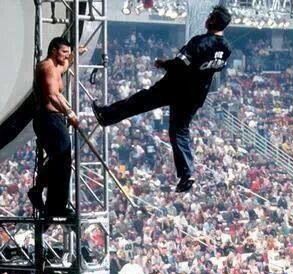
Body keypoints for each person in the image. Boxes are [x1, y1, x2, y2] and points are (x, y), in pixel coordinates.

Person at [93, 5, 232, 193]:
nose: (206, 19)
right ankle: (186, 173)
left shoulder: (200, 42)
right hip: (196, 95)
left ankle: (106, 116)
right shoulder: (227, 48)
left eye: (209, 16)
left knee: (139, 102)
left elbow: (180, 64)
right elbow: (214, 69)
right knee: (179, 131)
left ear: (213, 20)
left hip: (174, 87)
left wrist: (162, 64)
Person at [31, 36, 79, 219]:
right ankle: (56, 205)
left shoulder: (57, 67)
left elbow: (66, 65)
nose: (67, 56)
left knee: (60, 159)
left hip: (53, 119)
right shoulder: (46, 68)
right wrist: (70, 113)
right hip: (48, 118)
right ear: (53, 50)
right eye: (64, 52)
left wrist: (76, 53)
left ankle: (40, 190)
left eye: (68, 53)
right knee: (62, 159)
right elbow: (52, 95)